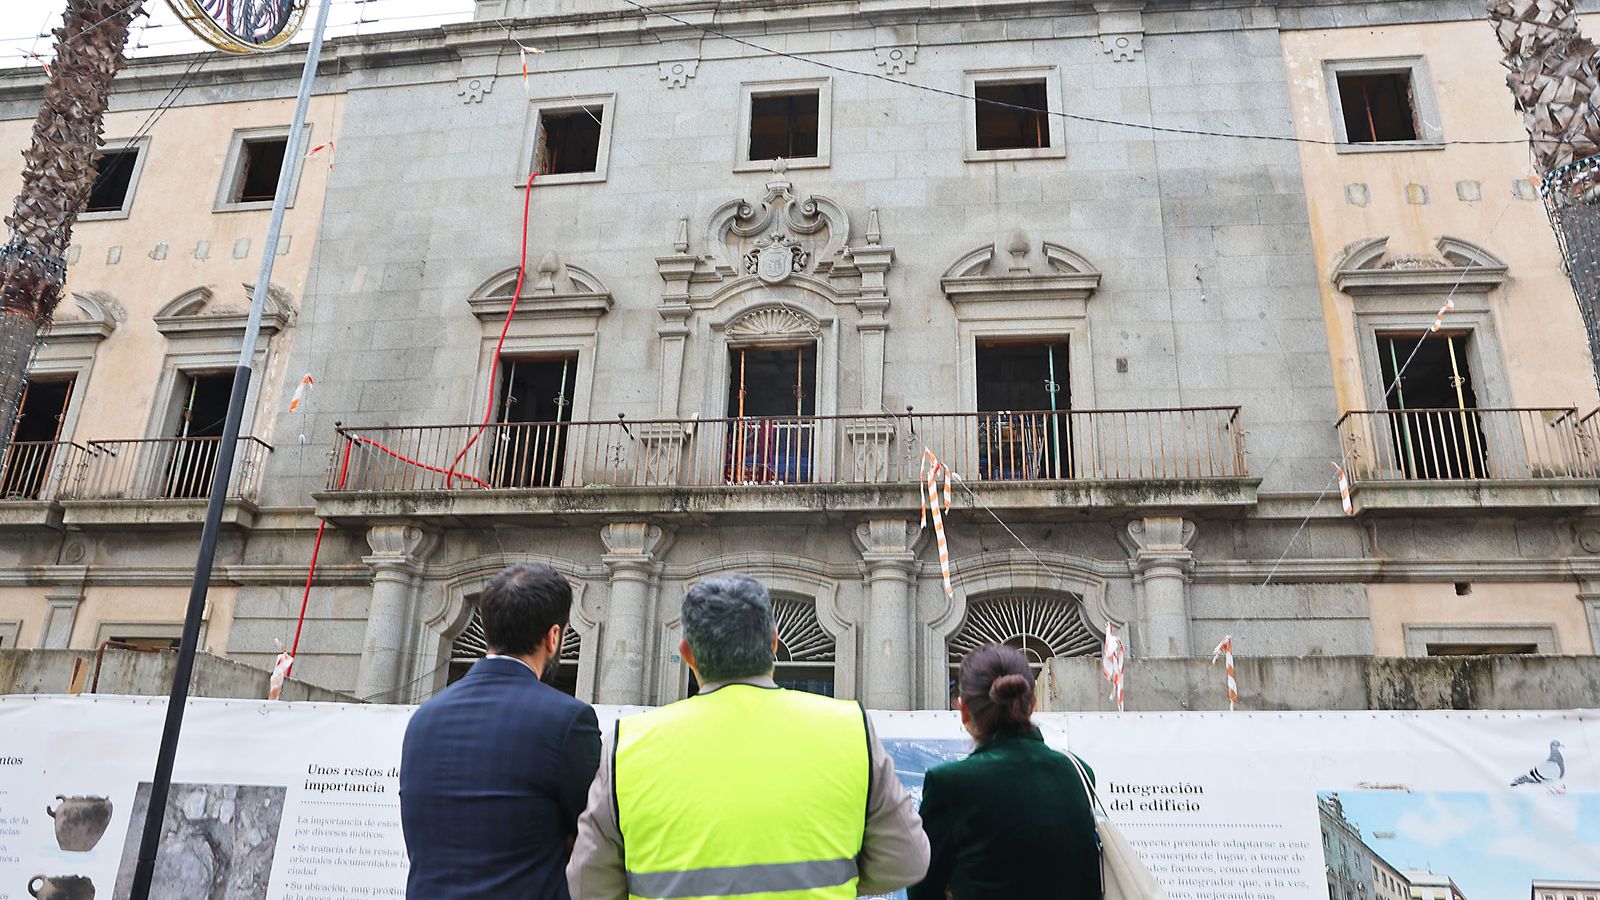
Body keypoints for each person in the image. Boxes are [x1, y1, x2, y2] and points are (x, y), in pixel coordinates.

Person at [567, 573, 929, 899]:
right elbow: (907, 861)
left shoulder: (628, 744)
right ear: (774, 642)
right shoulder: (849, 728)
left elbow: (587, 886)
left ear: (687, 653)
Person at [401, 563, 601, 899]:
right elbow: (595, 834)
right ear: (553, 637)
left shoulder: (424, 719)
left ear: (489, 629)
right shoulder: (567, 720)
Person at [909, 644, 1100, 899]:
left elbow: (923, 891)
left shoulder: (949, 785)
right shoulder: (1079, 774)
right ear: (1031, 704)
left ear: (964, 710)